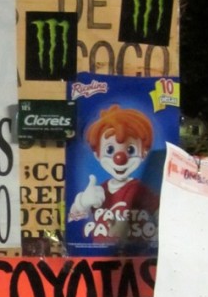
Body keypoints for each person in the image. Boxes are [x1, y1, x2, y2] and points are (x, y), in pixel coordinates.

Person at [68, 104, 159, 247]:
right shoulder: (98, 192)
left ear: (144, 153)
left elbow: (161, 214)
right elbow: (72, 222)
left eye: (130, 150)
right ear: (97, 155)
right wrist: (82, 203)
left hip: (132, 255)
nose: (120, 158)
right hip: (99, 256)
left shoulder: (139, 190)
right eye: (110, 150)